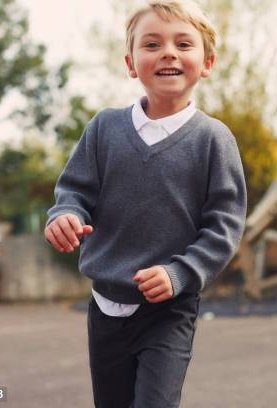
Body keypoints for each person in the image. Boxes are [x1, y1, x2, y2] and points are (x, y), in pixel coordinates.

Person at [44, 1, 247, 406]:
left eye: (183, 44)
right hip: (105, 305)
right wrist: (65, 215)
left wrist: (180, 272)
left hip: (169, 308)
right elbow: (74, 192)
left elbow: (224, 226)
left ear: (206, 63)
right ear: (131, 63)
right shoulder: (104, 128)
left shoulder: (214, 139)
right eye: (152, 44)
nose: (168, 52)